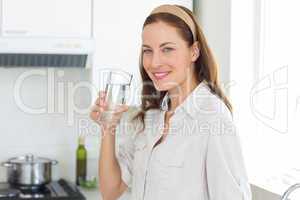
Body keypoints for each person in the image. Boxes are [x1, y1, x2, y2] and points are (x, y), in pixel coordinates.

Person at [90, 4, 252, 200]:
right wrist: (108, 127)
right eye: (147, 50)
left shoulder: (213, 118)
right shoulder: (150, 116)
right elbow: (111, 191)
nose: (154, 62)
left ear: (194, 51)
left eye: (167, 49)